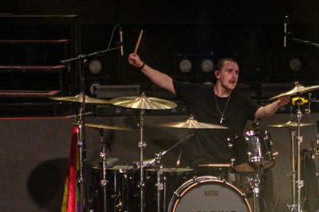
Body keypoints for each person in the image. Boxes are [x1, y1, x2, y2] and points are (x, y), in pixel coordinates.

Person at [124, 52, 289, 169]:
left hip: (230, 164)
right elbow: (166, 82)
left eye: (237, 73)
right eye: (229, 71)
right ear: (217, 74)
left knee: (265, 172)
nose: (234, 76)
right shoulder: (198, 93)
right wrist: (142, 65)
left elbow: (263, 112)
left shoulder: (241, 102)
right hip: (201, 163)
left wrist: (278, 103)